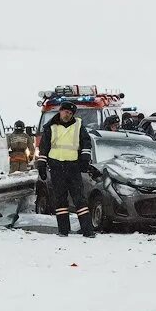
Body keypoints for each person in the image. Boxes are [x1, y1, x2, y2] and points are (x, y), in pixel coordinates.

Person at [37, 102, 96, 238]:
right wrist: (42, 165)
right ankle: (63, 230)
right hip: (56, 167)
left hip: (73, 167)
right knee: (60, 200)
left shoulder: (79, 125)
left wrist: (85, 159)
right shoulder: (50, 126)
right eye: (65, 112)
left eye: (70, 113)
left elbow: (85, 142)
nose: (67, 115)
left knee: (79, 199)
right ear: (60, 111)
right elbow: (44, 147)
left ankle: (88, 231)